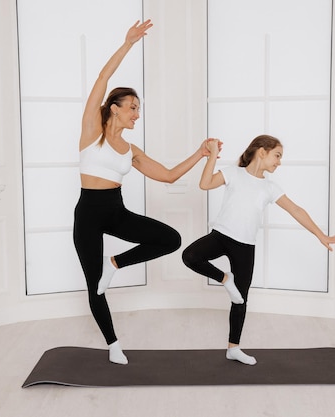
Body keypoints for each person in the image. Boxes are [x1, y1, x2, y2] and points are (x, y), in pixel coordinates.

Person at [74, 19, 218, 365]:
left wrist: (200, 155)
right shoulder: (93, 129)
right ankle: (113, 344)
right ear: (115, 109)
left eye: (138, 109)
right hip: (89, 214)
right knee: (94, 284)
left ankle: (116, 264)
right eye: (133, 108)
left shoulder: (131, 149)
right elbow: (102, 80)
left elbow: (167, 176)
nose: (137, 114)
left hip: (116, 210)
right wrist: (127, 44)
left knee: (170, 239)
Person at [182, 135, 335, 365]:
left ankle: (234, 348)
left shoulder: (270, 187)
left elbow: (296, 210)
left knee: (240, 300)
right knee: (190, 256)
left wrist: (321, 235)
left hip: (245, 246)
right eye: (277, 155)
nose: (279, 162)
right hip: (221, 236)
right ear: (262, 151)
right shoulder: (233, 173)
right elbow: (205, 184)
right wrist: (210, 156)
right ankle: (224, 279)